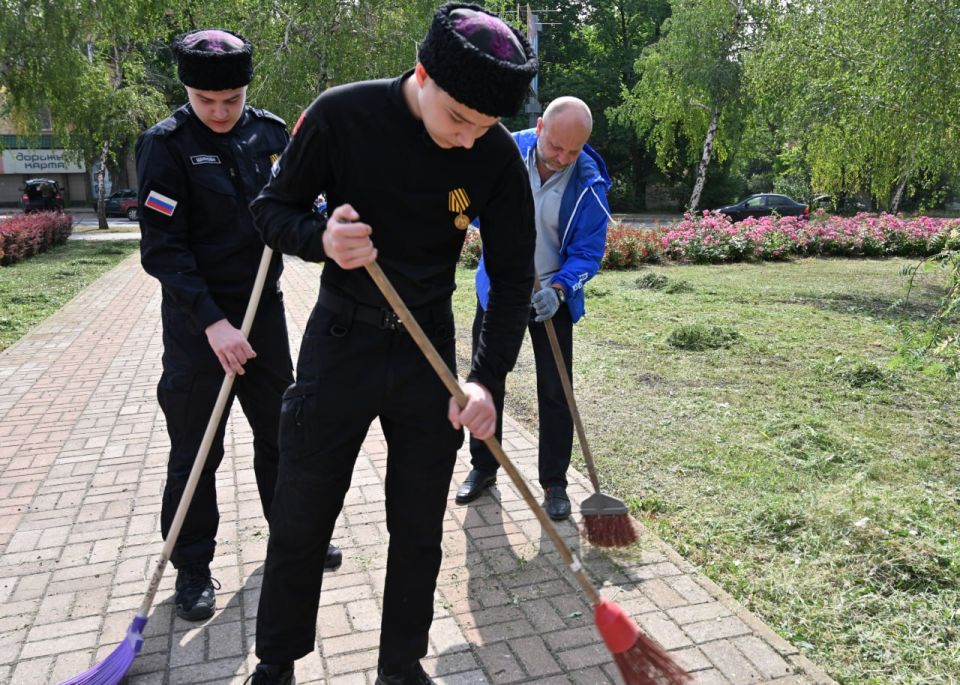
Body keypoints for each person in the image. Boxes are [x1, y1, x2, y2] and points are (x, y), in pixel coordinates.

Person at [246, 4, 538, 684]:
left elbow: (515, 272)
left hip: (427, 349)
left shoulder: (491, 154)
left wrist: (488, 379)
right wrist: (320, 241)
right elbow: (270, 210)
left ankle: (401, 661)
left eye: (485, 127)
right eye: (458, 120)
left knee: (418, 524)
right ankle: (277, 659)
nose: (468, 141)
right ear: (423, 74)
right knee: (302, 508)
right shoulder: (342, 115)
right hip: (341, 338)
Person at [136, 28, 341, 624]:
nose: (222, 112)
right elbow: (162, 250)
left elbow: (299, 211)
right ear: (188, 91)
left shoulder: (271, 134)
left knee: (285, 433)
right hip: (199, 322)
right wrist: (214, 325)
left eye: (233, 99)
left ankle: (294, 538)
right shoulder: (165, 146)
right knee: (197, 450)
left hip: (263, 311)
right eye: (208, 102)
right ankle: (193, 569)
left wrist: (326, 223)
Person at [455, 96, 611, 521]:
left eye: (572, 151)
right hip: (500, 291)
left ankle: (555, 483)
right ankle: (484, 468)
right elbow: (463, 200)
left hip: (550, 298)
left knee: (556, 393)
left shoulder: (590, 183)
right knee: (487, 382)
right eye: (556, 146)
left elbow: (588, 252)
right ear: (540, 126)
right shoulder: (501, 150)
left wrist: (560, 290)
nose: (561, 158)